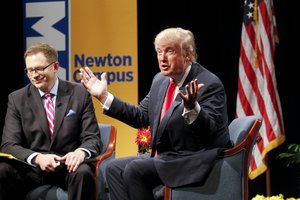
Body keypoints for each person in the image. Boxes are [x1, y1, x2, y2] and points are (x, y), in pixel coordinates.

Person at [80, 27, 232, 200]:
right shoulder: (160, 80)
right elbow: (140, 116)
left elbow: (210, 130)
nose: (162, 58)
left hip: (193, 158)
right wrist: (104, 96)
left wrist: (192, 108)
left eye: (169, 51)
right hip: (168, 157)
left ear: (188, 54)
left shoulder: (209, 83)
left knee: (135, 170)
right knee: (113, 169)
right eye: (159, 51)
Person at [0, 43, 101, 200]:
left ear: (55, 66)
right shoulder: (17, 98)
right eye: (30, 70)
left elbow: (92, 137)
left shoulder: (79, 94)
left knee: (83, 172)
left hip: (68, 166)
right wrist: (37, 158)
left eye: (39, 69)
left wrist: (80, 152)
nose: (34, 75)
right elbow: (9, 144)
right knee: (3, 170)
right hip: (32, 168)